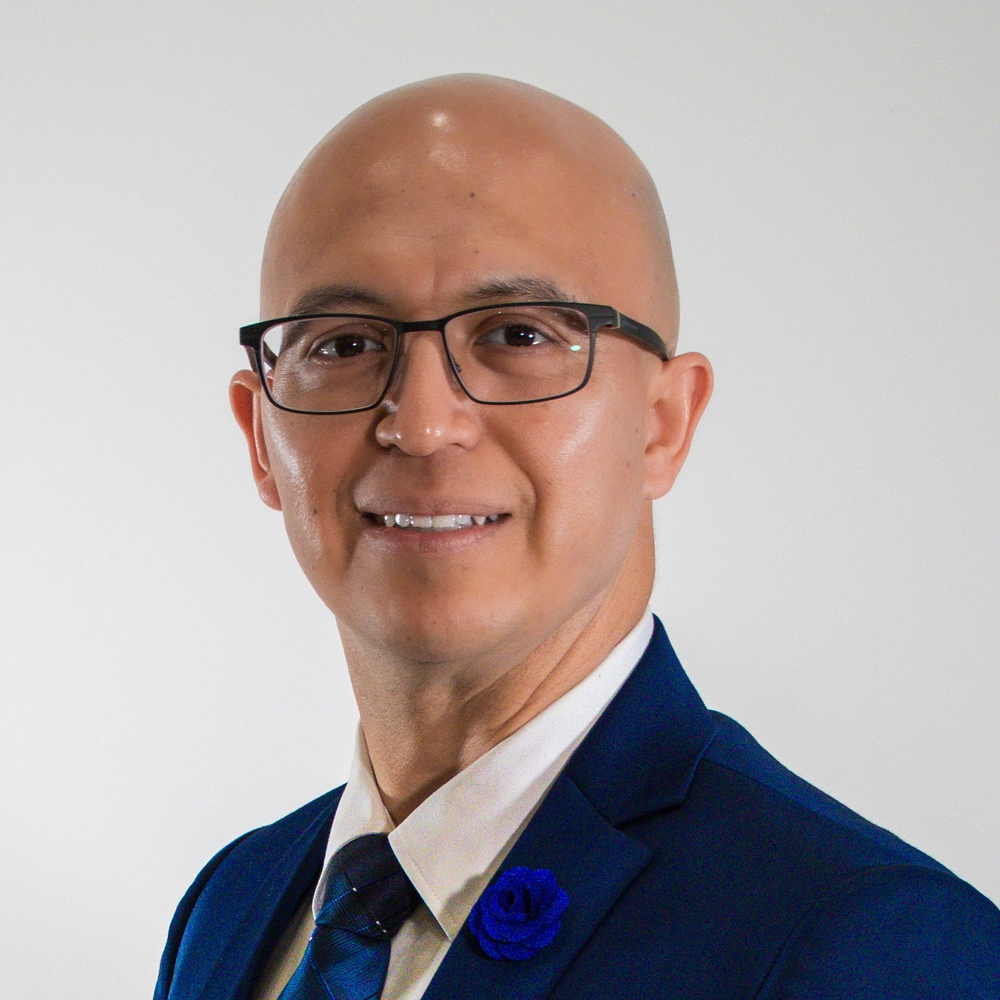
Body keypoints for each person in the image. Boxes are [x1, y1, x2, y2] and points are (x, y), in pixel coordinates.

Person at [154, 75, 1000, 1000]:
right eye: (345, 345)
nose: (424, 424)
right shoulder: (231, 905)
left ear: (664, 424)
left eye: (518, 334)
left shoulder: (865, 940)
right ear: (260, 437)